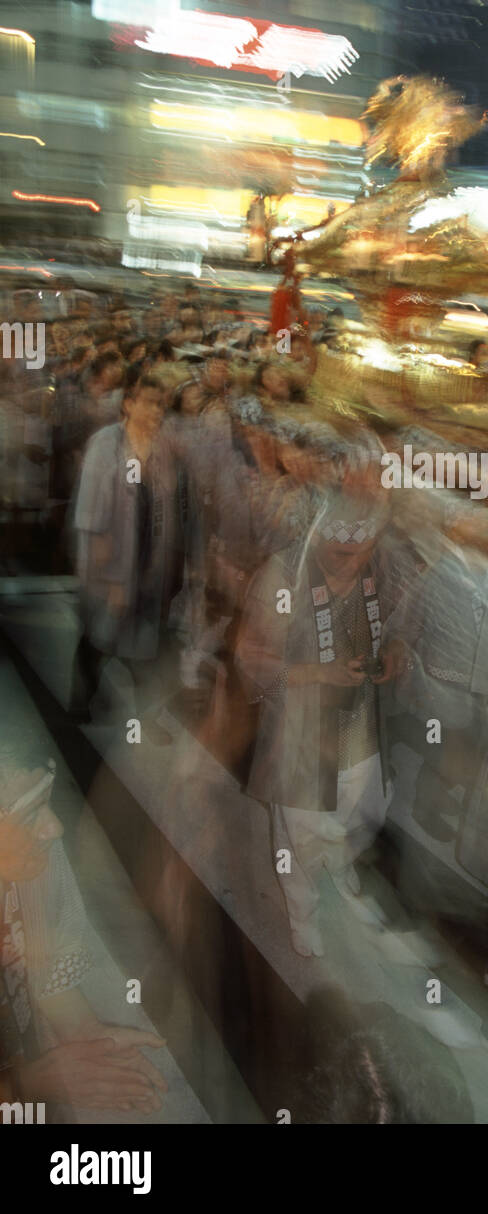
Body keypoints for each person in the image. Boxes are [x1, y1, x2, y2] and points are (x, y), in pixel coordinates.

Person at [235, 487, 413, 957]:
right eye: (340, 553)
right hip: (300, 737)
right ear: (317, 539)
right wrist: (318, 674)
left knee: (367, 809)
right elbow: (253, 670)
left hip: (363, 727)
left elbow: (400, 624)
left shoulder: (382, 567)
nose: (352, 563)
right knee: (299, 837)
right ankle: (303, 913)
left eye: (364, 551)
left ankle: (341, 859)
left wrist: (394, 654)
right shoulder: (283, 576)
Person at [0, 753, 167, 1116]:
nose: (55, 827)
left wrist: (84, 1032)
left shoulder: (34, 858)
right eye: (30, 815)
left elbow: (48, 960)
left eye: (47, 802)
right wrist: (22, 1085)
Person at [71, 375, 181, 739]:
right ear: (128, 403)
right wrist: (113, 579)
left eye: (161, 404)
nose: (156, 411)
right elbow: (93, 514)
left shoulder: (161, 448)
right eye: (148, 402)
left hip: (148, 566)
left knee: (143, 646)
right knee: (99, 639)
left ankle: (143, 715)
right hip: (112, 566)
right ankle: (81, 703)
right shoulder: (106, 445)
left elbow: (167, 507)